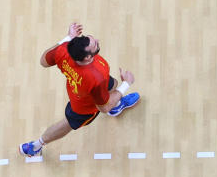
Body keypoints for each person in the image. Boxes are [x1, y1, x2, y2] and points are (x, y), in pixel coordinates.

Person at [19, 23, 140, 157]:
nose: (98, 42)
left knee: (112, 84)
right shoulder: (96, 77)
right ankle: (36, 146)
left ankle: (115, 104)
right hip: (83, 108)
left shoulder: (64, 50)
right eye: (95, 45)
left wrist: (68, 38)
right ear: (87, 57)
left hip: (81, 87)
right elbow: (103, 108)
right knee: (67, 124)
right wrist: (126, 84)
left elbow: (43, 61)